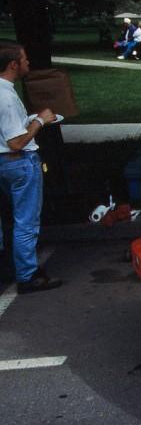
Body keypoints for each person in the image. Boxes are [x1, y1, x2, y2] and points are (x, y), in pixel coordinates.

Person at [0, 42, 61, 294]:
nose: (28, 63)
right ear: (13, 64)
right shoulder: (6, 97)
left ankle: (8, 266)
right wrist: (39, 121)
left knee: (7, 220)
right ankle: (28, 275)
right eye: (24, 60)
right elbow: (15, 142)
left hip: (4, 164)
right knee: (25, 221)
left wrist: (28, 120)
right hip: (19, 164)